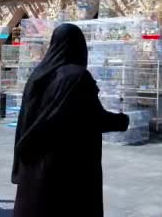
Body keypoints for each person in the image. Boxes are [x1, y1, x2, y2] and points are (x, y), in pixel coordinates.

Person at [12, 23, 130, 217]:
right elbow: (94, 118)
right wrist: (122, 120)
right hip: (67, 167)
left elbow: (24, 120)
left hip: (34, 161)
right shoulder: (77, 77)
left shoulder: (37, 75)